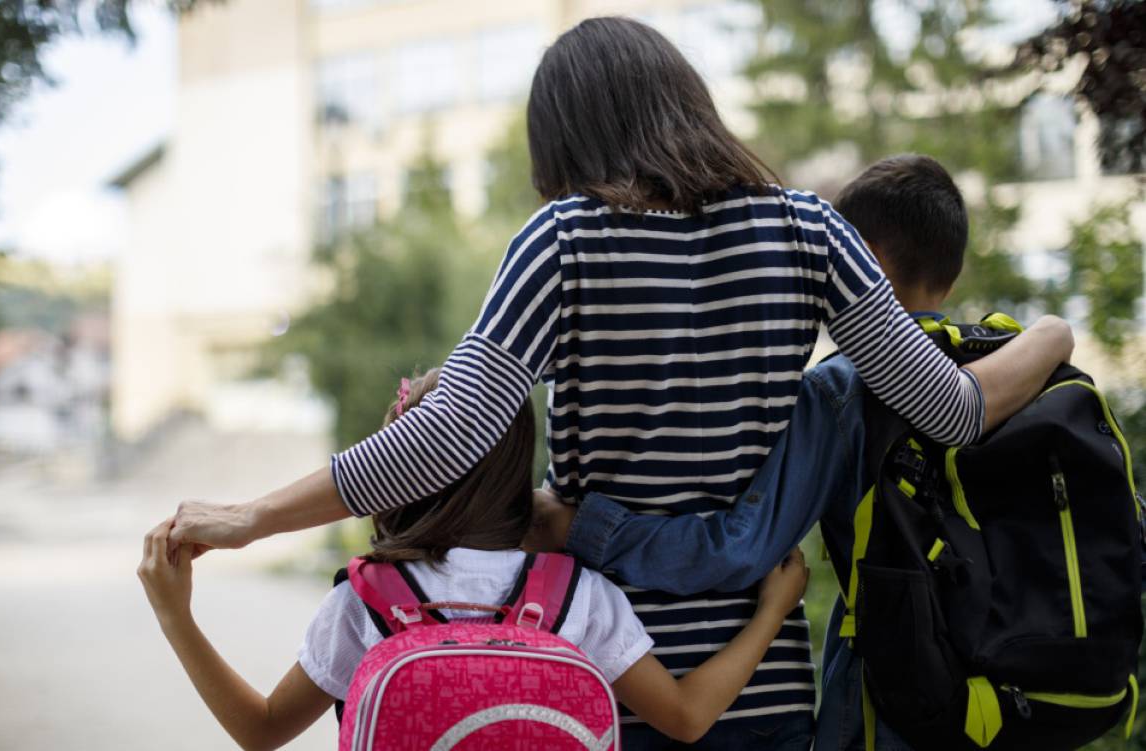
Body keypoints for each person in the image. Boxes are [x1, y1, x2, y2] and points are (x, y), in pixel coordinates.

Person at [167, 18, 1073, 747]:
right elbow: (955, 411)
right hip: (763, 681)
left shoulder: (563, 240)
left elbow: (447, 434)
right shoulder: (809, 230)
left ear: (566, 139)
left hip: (600, 673)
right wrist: (1053, 333)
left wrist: (251, 517)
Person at [527, 154, 1049, 750]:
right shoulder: (1018, 369)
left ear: (865, 262)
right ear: (950, 273)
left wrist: (574, 526)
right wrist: (1055, 332)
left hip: (895, 700)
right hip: (1017, 693)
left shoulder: (843, 394)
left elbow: (737, 546)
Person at [138, 370, 811, 750]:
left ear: (396, 469)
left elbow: (259, 731)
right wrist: (771, 612)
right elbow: (688, 716)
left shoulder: (366, 599)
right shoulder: (576, 593)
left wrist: (176, 616)